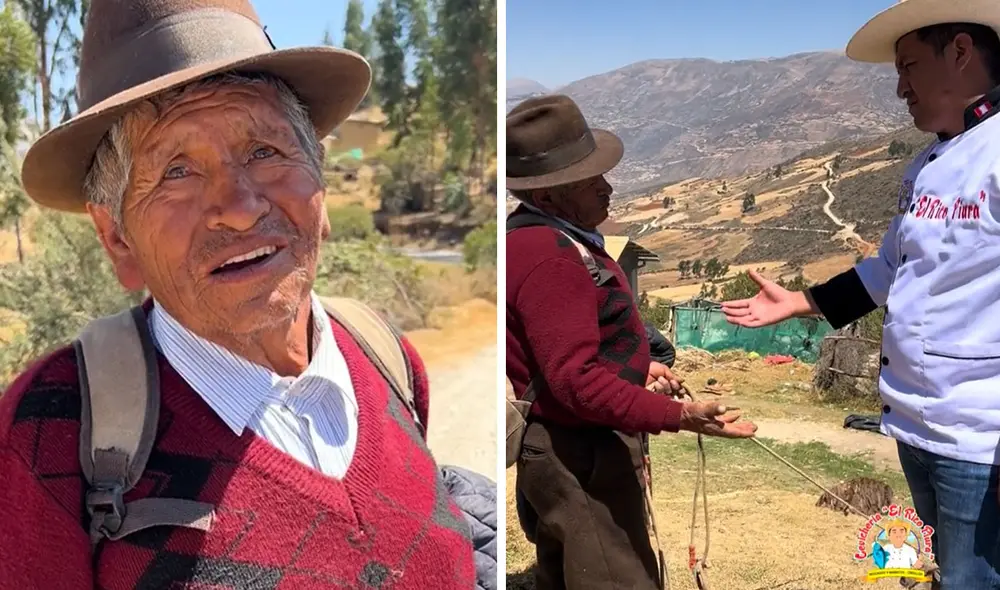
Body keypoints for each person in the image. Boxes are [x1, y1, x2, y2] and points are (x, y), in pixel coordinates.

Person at [0, 1, 495, 588]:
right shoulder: (49, 433)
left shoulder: (386, 358)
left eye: (265, 151)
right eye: (176, 171)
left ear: (321, 183)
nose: (238, 208)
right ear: (117, 238)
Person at [722, 3, 1000, 587]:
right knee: (949, 573)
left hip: (981, 440)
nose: (899, 88)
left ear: (960, 52)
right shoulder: (928, 162)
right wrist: (800, 302)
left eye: (909, 67)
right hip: (918, 427)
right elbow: (888, 270)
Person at [506, 93, 757, 590]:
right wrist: (679, 417)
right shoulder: (553, 257)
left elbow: (559, 353)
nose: (608, 187)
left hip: (568, 446)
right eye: (589, 180)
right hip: (578, 455)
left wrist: (636, 369)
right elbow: (575, 382)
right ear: (549, 195)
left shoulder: (535, 237)